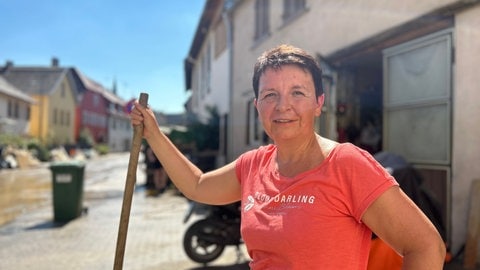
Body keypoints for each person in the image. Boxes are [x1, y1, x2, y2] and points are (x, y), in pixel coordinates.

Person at [130, 44, 446, 269]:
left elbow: (425, 246)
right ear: (257, 107)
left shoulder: (346, 163)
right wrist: (154, 134)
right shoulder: (253, 164)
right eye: (270, 95)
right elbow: (197, 185)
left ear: (319, 103)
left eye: (298, 92)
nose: (283, 106)